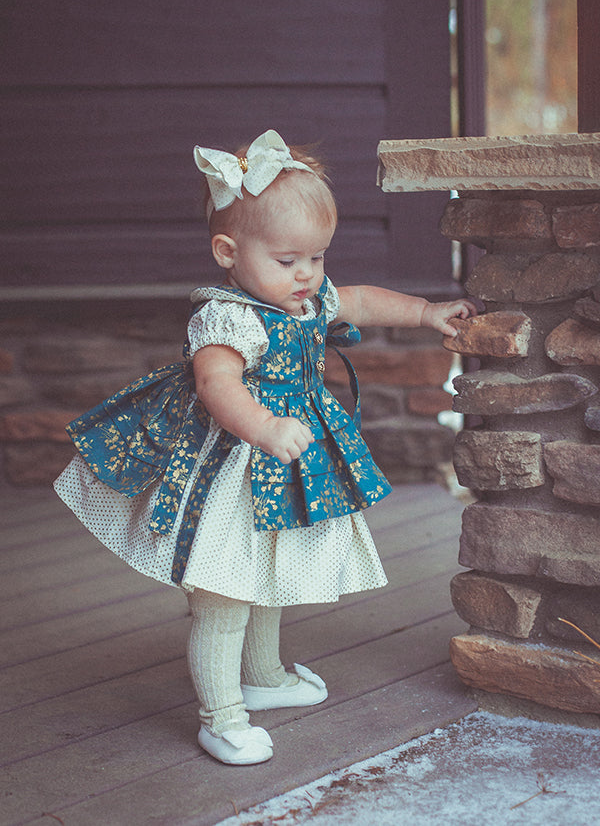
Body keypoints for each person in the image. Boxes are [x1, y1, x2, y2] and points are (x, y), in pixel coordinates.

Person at [54, 129, 475, 766]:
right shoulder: (228, 317)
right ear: (228, 252)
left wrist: (426, 312)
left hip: (278, 471)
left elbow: (361, 300)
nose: (307, 274)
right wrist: (265, 427)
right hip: (225, 471)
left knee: (270, 572)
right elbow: (215, 385)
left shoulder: (307, 301)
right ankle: (221, 717)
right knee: (224, 591)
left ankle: (263, 678)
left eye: (318, 257)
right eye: (286, 260)